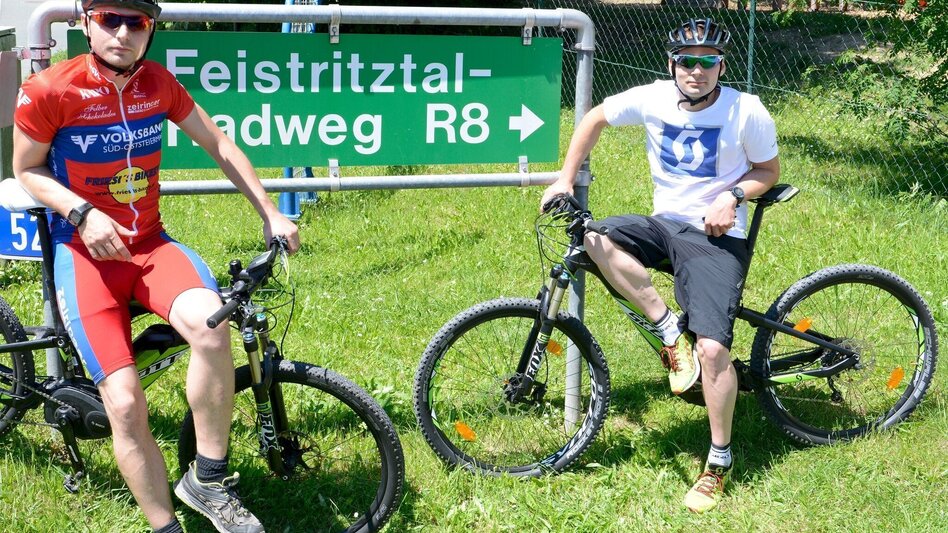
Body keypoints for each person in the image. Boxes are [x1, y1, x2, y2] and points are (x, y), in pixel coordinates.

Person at [12, 1, 300, 531]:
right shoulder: (51, 89)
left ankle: (207, 479)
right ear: (86, 23)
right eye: (109, 19)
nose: (122, 33)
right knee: (124, 404)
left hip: (148, 245)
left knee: (212, 326)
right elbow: (26, 168)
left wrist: (270, 211)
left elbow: (218, 143)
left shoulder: (158, 84)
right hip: (83, 254)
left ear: (150, 29)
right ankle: (165, 526)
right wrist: (81, 213)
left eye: (136, 22)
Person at [541, 18, 779, 513]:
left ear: (722, 67)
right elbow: (594, 118)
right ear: (672, 65)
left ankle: (719, 459)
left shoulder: (746, 111)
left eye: (708, 61)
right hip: (664, 225)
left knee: (713, 350)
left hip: (716, 237)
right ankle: (670, 332)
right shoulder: (653, 98)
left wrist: (733, 197)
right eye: (687, 61)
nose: (697, 70)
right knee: (592, 237)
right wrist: (565, 178)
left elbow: (768, 171)